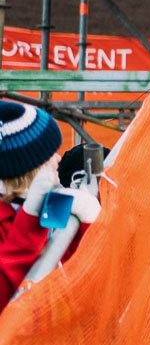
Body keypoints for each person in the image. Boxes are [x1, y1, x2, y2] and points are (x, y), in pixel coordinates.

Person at [0, 101, 100, 309]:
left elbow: (64, 271)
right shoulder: (14, 216)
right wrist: (30, 221)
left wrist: (84, 228)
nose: (58, 159)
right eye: (47, 156)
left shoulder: (40, 203)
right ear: (26, 169)